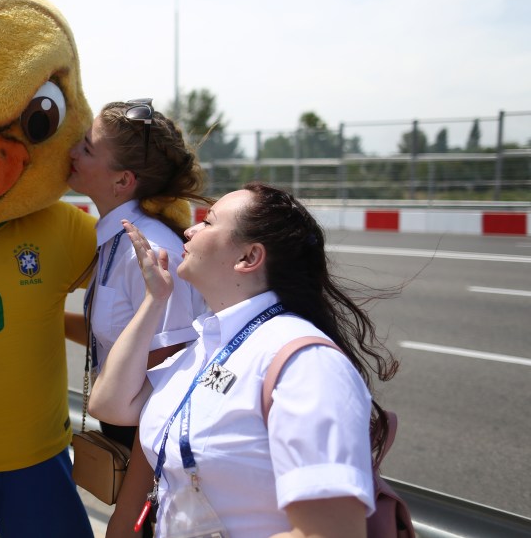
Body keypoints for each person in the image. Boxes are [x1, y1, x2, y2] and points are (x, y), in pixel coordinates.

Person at [88, 181, 400, 538]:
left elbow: (331, 532)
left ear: (248, 258)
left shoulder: (306, 362)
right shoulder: (208, 343)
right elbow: (109, 404)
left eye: (208, 222)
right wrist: (154, 301)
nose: (190, 229)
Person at [65, 99, 207, 537]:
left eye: (87, 148)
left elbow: (167, 391)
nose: (72, 150)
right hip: (130, 435)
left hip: (154, 455)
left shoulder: (150, 252)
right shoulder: (115, 237)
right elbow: (117, 340)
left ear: (123, 180)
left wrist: (126, 515)